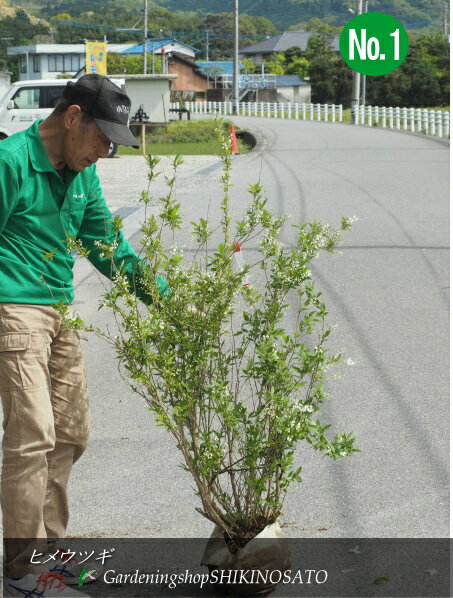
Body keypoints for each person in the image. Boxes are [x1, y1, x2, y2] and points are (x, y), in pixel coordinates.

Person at [0, 74, 168, 597]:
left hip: (59, 309)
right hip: (13, 306)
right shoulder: (9, 164)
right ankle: (23, 572)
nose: (106, 154)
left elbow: (107, 245)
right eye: (103, 140)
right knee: (32, 437)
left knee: (71, 434)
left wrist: (166, 299)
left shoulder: (83, 174)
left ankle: (48, 552)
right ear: (73, 118)